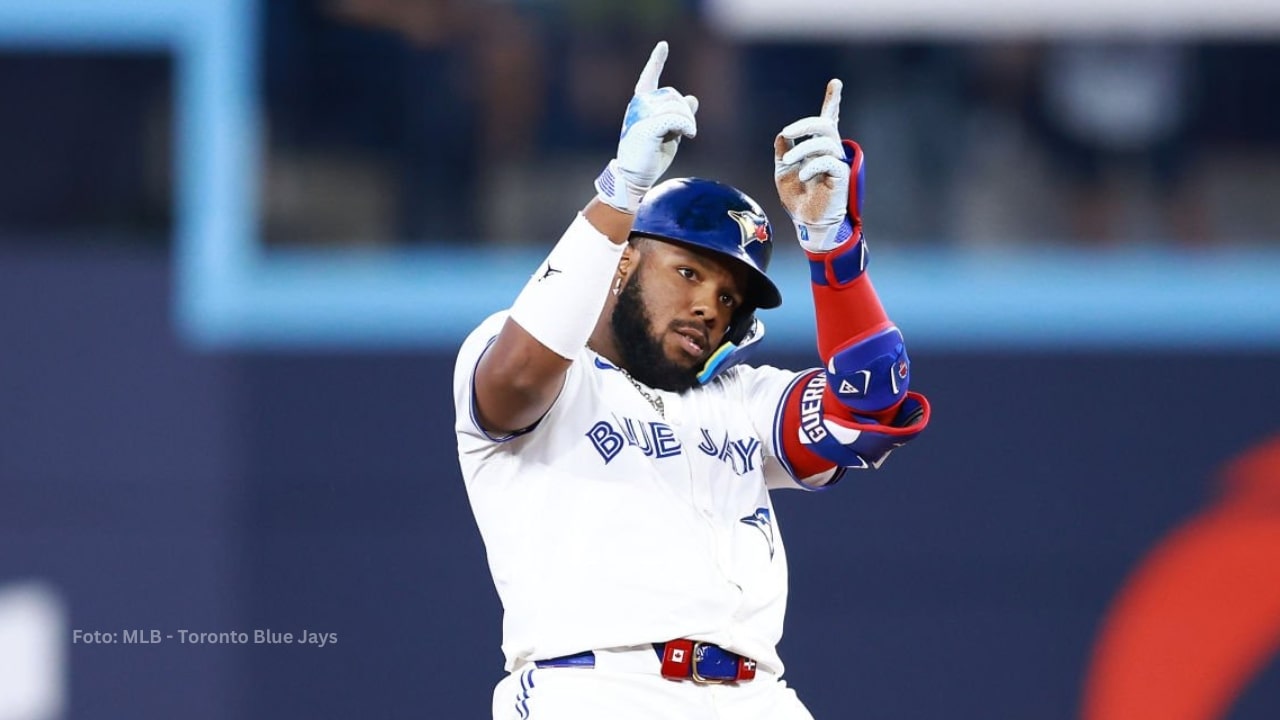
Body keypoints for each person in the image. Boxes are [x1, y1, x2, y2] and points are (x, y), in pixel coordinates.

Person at [453, 41, 931, 719]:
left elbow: (871, 405)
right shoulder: (529, 356)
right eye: (688, 273)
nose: (711, 304)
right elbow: (519, 378)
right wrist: (619, 192)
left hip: (759, 697)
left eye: (731, 296)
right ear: (620, 264)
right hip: (595, 688)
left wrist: (832, 247)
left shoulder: (742, 398)